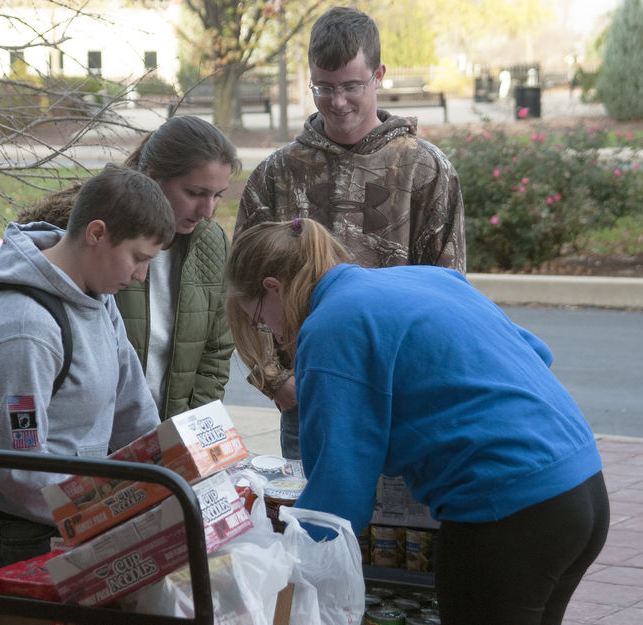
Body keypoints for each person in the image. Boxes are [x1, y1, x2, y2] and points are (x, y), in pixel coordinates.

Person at [225, 219, 609, 625]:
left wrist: (283, 570)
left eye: (259, 319)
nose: (271, 331)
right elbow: (536, 351)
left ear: (273, 287)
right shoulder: (427, 278)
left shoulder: (330, 327)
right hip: (582, 489)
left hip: (506, 510)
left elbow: (338, 492)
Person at [0, 164, 175, 605]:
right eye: (139, 258)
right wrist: (96, 514)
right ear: (97, 233)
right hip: (12, 529)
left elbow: (132, 408)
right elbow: (19, 465)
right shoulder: (24, 329)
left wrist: (164, 474)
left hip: (70, 515)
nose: (141, 275)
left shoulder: (99, 297)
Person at [234, 7, 466, 458]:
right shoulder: (276, 174)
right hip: (308, 405)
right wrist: (275, 380)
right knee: (313, 524)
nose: (337, 101)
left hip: (401, 401)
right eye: (323, 87)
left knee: (397, 530)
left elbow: (450, 290)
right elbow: (244, 288)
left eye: (351, 86)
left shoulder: (426, 169)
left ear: (378, 76)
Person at [13, 116, 241, 420]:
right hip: (95, 439)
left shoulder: (210, 241)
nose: (208, 211)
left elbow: (215, 350)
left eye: (217, 195)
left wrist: (191, 427)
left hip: (160, 431)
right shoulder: (96, 239)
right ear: (153, 178)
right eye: (195, 193)